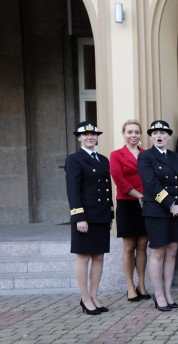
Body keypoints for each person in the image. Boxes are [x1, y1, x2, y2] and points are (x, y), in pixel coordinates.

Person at [138, 120, 178, 312]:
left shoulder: (177, 157)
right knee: (158, 251)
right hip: (157, 211)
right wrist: (171, 204)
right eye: (155, 133)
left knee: (173, 250)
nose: (159, 136)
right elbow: (151, 183)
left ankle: (168, 292)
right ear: (151, 136)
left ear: (168, 136)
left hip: (177, 210)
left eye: (163, 133)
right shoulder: (145, 157)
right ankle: (158, 295)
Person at [65, 121, 113, 315]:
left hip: (100, 215)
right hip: (85, 216)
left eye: (93, 135)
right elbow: (73, 190)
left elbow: (107, 189)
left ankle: (94, 296)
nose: (90, 137)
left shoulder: (103, 159)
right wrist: (79, 217)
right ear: (79, 138)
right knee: (84, 257)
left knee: (99, 257)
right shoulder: (74, 159)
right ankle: (85, 298)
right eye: (85, 135)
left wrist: (109, 214)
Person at [109, 119, 151, 302]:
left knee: (142, 246)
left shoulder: (146, 154)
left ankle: (141, 284)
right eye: (130, 132)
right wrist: (139, 196)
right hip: (127, 204)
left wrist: (146, 197)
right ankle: (129, 286)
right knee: (129, 247)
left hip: (146, 204)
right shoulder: (116, 155)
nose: (133, 135)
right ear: (123, 134)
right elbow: (119, 180)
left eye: (136, 132)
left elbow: (151, 178)